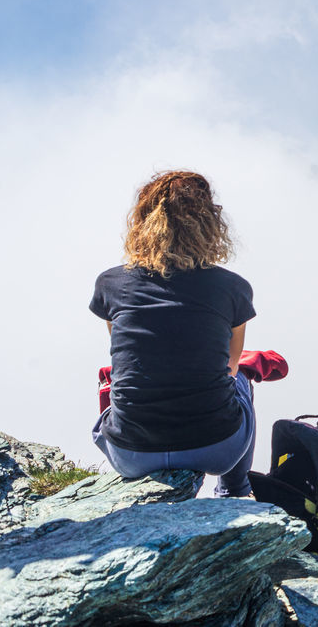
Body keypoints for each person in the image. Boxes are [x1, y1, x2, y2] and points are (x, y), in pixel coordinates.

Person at [89, 170, 270, 497]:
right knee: (241, 377)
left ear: (142, 221)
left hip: (131, 454)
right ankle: (235, 491)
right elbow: (229, 367)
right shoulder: (233, 288)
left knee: (112, 402)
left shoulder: (110, 284)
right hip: (217, 449)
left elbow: (124, 355)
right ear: (210, 224)